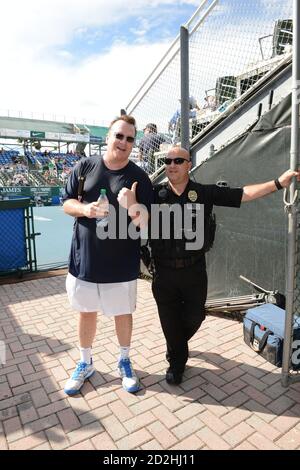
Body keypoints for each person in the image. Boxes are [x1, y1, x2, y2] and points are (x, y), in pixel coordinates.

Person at [150, 146, 299, 386]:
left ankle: (177, 345)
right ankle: (176, 362)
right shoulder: (154, 194)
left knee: (195, 316)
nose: (172, 165)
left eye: (178, 160)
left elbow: (244, 194)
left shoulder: (203, 193)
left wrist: (278, 183)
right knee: (169, 321)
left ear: (189, 164)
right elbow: (128, 204)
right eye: (168, 160)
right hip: (163, 272)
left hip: (194, 270)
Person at [63, 115, 153, 395]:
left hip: (121, 264)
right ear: (108, 137)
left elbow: (146, 221)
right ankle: (85, 363)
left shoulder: (139, 177)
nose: (123, 142)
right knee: (86, 313)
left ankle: (124, 360)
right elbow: (66, 204)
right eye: (119, 136)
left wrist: (133, 204)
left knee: (122, 314)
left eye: (129, 138)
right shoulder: (84, 167)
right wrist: (85, 209)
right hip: (85, 261)